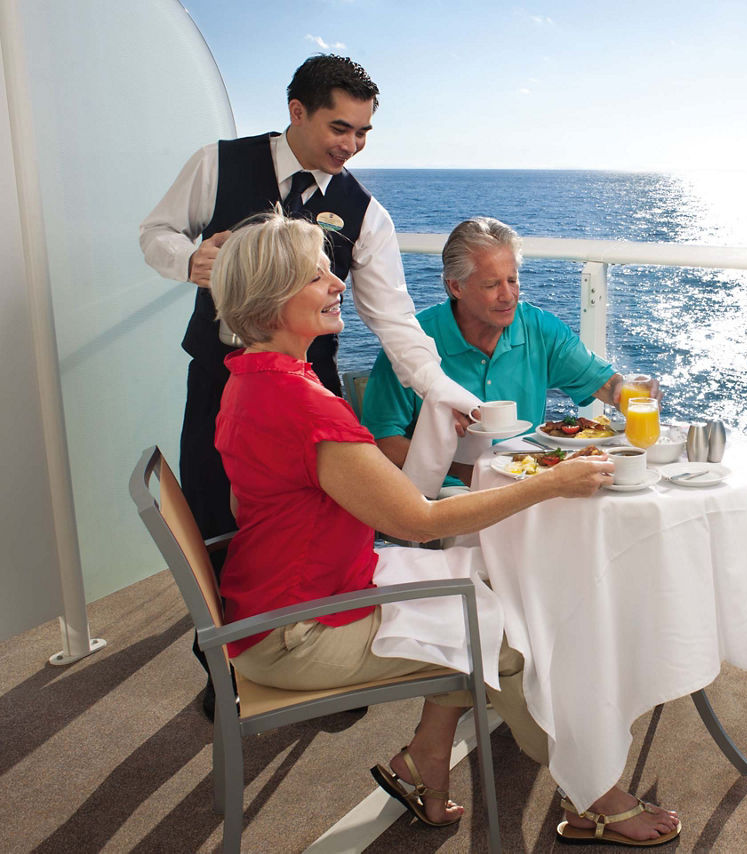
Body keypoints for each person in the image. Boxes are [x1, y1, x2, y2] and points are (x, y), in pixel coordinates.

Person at [209, 212, 680, 847]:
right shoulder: (304, 404)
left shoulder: (250, 382)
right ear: (272, 297)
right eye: (318, 277)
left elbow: (249, 509)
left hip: (285, 599)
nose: (337, 284)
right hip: (298, 632)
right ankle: (595, 795)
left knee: (486, 589)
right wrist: (550, 482)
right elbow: (417, 518)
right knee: (516, 639)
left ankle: (424, 761)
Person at [139, 54, 476, 718]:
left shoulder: (363, 212)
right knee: (219, 521)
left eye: (363, 133)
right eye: (339, 127)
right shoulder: (218, 164)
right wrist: (189, 260)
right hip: (220, 379)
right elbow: (155, 234)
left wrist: (442, 392)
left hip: (306, 382)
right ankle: (227, 670)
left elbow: (394, 318)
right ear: (298, 111)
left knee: (323, 523)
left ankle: (326, 651)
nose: (350, 146)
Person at [359, 217, 658, 484]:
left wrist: (623, 391)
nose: (508, 296)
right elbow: (382, 443)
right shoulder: (409, 342)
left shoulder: (539, 328)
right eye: (492, 285)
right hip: (448, 498)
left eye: (513, 280)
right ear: (456, 287)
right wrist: (466, 473)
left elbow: (605, 384)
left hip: (530, 488)